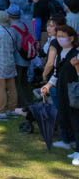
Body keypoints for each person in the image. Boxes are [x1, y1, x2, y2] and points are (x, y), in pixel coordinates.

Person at [40, 25, 79, 167]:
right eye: (58, 36)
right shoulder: (61, 53)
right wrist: (48, 85)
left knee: (76, 121)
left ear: (72, 38)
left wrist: (76, 66)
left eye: (63, 36)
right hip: (64, 92)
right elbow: (56, 74)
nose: (60, 38)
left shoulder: (77, 53)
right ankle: (75, 148)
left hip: (75, 92)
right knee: (68, 118)